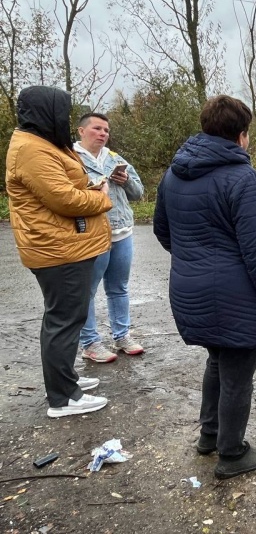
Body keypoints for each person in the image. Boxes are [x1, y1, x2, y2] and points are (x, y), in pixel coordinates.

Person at [153, 95, 256, 480]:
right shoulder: (241, 177)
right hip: (234, 297)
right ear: (242, 135)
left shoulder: (173, 173)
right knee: (236, 375)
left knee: (217, 361)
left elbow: (164, 233)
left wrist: (198, 259)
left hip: (189, 290)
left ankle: (209, 436)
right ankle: (232, 453)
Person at [5, 86, 112, 418]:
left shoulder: (39, 143)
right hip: (58, 250)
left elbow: (64, 188)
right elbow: (64, 200)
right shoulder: (31, 150)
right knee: (63, 320)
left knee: (67, 317)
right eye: (60, 112)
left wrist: (89, 189)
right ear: (44, 112)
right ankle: (63, 398)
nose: (63, 119)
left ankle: (66, 381)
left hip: (64, 246)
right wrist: (102, 196)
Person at [74, 113, 145, 363]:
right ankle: (90, 342)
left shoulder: (115, 158)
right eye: (97, 128)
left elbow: (139, 192)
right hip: (91, 234)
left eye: (106, 130)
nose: (103, 133)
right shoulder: (71, 159)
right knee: (87, 291)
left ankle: (122, 335)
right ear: (81, 131)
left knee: (119, 288)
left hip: (122, 231)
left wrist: (125, 181)